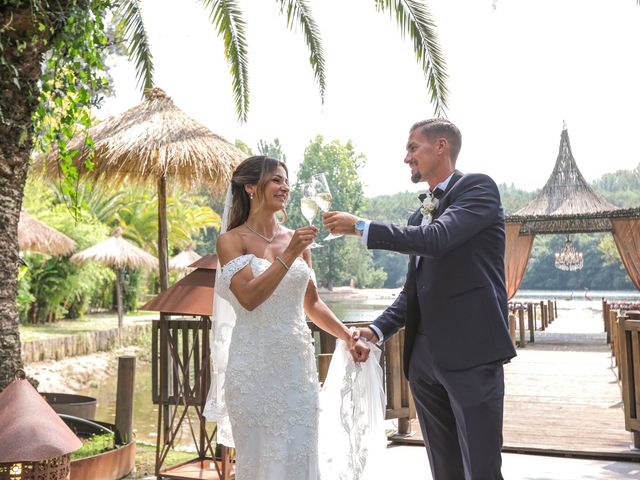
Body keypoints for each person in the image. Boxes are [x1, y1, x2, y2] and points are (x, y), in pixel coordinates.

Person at [323, 119, 517, 480]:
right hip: (424, 362)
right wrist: (376, 330)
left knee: (482, 469)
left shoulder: (478, 189)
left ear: (440, 146)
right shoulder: (418, 215)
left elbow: (438, 240)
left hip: (471, 356)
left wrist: (362, 227)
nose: (406, 157)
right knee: (445, 471)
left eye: (413, 148)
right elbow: (413, 291)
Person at [203, 156, 375, 480]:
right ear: (251, 187)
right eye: (275, 180)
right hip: (252, 372)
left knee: (299, 458)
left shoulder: (296, 240)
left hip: (297, 372)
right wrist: (290, 253)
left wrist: (347, 335)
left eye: (286, 180)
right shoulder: (231, 241)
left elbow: (313, 304)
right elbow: (250, 298)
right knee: (258, 462)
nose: (285, 187)